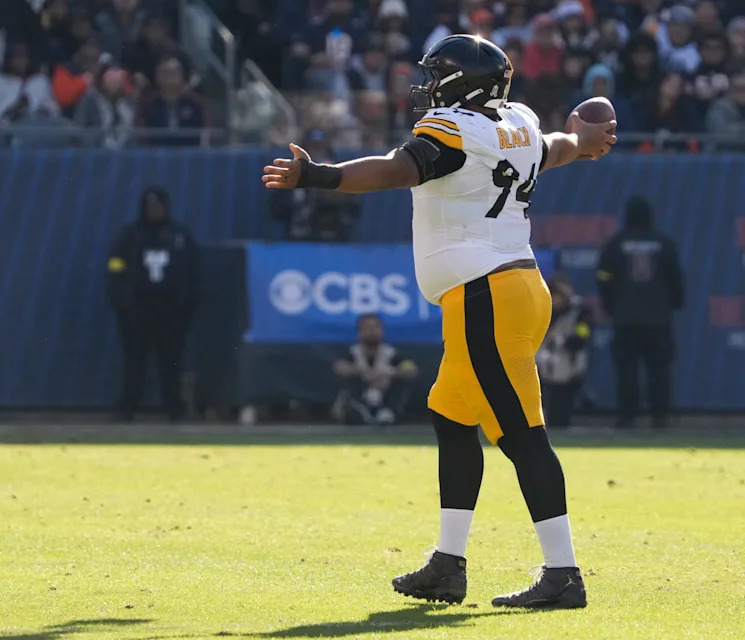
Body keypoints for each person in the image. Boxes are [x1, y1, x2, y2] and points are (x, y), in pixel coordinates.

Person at [262, 34, 615, 609]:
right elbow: (554, 147)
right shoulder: (517, 122)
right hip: (509, 287)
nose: (427, 86)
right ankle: (448, 565)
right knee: (450, 417)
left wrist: (318, 176)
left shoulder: (454, 131)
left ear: (460, 84)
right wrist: (583, 138)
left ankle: (563, 572)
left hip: (489, 293)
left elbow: (393, 171)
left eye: (437, 76)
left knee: (522, 433)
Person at [107, 188, 199, 422]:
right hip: (138, 306)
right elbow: (116, 265)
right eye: (150, 206)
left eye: (158, 206)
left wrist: (185, 302)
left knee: (171, 361)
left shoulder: (179, 235)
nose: (154, 211)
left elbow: (191, 270)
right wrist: (121, 298)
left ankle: (174, 408)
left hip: (169, 308)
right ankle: (127, 407)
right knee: (134, 360)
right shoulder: (131, 235)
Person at [597, 196, 684, 429]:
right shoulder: (664, 243)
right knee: (659, 371)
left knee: (627, 371)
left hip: (625, 318)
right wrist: (671, 304)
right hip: (658, 319)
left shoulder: (616, 243)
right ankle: (660, 416)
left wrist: (610, 305)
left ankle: (627, 416)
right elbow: (676, 279)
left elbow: (603, 276)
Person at [331, 314, 419, 425]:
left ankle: (386, 412)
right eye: (367, 328)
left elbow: (411, 369)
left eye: (375, 328)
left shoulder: (392, 353)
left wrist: (389, 372)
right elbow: (339, 367)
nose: (371, 332)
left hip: (386, 397)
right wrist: (361, 372)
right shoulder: (352, 352)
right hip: (360, 397)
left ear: (381, 330)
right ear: (359, 331)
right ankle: (360, 412)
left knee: (400, 382)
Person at [536, 280, 592, 428]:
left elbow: (582, 336)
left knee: (563, 402)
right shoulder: (542, 309)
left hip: (568, 364)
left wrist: (564, 341)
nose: (556, 301)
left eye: (559, 297)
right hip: (544, 364)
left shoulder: (580, 311)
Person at [136, 53, 207, 146]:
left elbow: (206, 134)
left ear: (182, 75)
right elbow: (141, 135)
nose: (170, 76)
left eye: (174, 72)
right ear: (157, 76)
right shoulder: (147, 104)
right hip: (155, 156)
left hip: (190, 156)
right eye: (165, 72)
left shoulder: (196, 103)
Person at [73, 64, 134, 148]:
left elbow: (134, 133)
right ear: (102, 81)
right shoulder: (90, 100)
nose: (115, 83)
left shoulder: (129, 103)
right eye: (110, 78)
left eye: (119, 79)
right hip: (94, 152)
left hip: (124, 153)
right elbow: (79, 128)